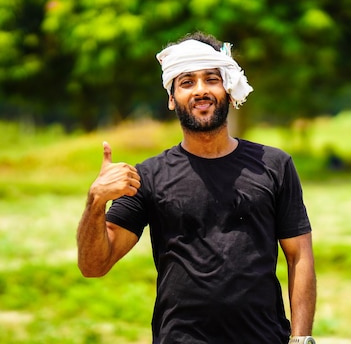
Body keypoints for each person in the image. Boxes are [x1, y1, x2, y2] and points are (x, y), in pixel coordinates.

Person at [76, 31, 317, 344]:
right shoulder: (148, 176)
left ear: (228, 89)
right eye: (187, 82)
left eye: (211, 79)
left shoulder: (274, 165)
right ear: (172, 97)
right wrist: (94, 202)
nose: (201, 90)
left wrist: (301, 340)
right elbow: (93, 266)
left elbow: (300, 256)